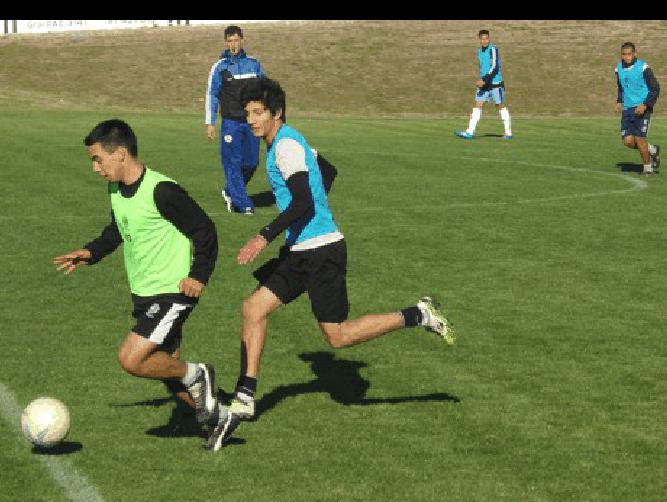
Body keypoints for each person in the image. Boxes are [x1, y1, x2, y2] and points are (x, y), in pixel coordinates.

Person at [204, 77, 457, 452]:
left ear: (277, 113)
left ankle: (418, 314)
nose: (251, 120)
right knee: (253, 308)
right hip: (301, 250)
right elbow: (328, 172)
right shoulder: (286, 140)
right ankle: (245, 395)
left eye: (258, 113)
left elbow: (304, 201)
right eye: (247, 113)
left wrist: (264, 234)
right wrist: (310, 215)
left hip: (322, 252)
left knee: (338, 337)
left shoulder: (286, 147)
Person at [53, 119, 221, 430]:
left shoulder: (163, 191)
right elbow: (119, 228)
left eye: (97, 159)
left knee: (132, 359)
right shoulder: (115, 189)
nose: (95, 168)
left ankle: (199, 373)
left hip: (173, 291)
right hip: (144, 294)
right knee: (165, 370)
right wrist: (91, 252)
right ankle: (222, 417)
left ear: (119, 154)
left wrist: (199, 275)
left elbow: (204, 229)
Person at [205, 25, 265, 215]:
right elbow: (212, 95)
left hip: (251, 122)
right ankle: (242, 203)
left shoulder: (253, 64)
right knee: (233, 162)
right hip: (230, 123)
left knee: (252, 162)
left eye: (236, 40)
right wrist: (210, 122)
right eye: (229, 41)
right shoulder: (220, 67)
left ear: (242, 40)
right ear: (226, 42)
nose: (233, 44)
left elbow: (264, 90)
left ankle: (230, 191)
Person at [454, 29, 513, 140]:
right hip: (484, 84)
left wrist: (484, 79)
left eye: (487, 38)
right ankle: (469, 132)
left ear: (489, 39)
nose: (485, 41)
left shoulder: (493, 49)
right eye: (482, 39)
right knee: (477, 105)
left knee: (499, 106)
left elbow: (494, 67)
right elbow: (484, 67)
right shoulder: (479, 52)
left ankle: (508, 133)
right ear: (479, 40)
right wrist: (482, 80)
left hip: (495, 83)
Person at [615, 42, 661, 176]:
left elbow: (655, 88)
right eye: (624, 54)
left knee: (640, 139)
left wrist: (645, 105)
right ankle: (652, 149)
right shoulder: (618, 68)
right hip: (627, 109)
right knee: (628, 141)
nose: (627, 57)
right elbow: (621, 86)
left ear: (634, 54)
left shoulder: (643, 67)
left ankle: (648, 169)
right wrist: (619, 101)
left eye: (629, 54)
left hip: (642, 108)